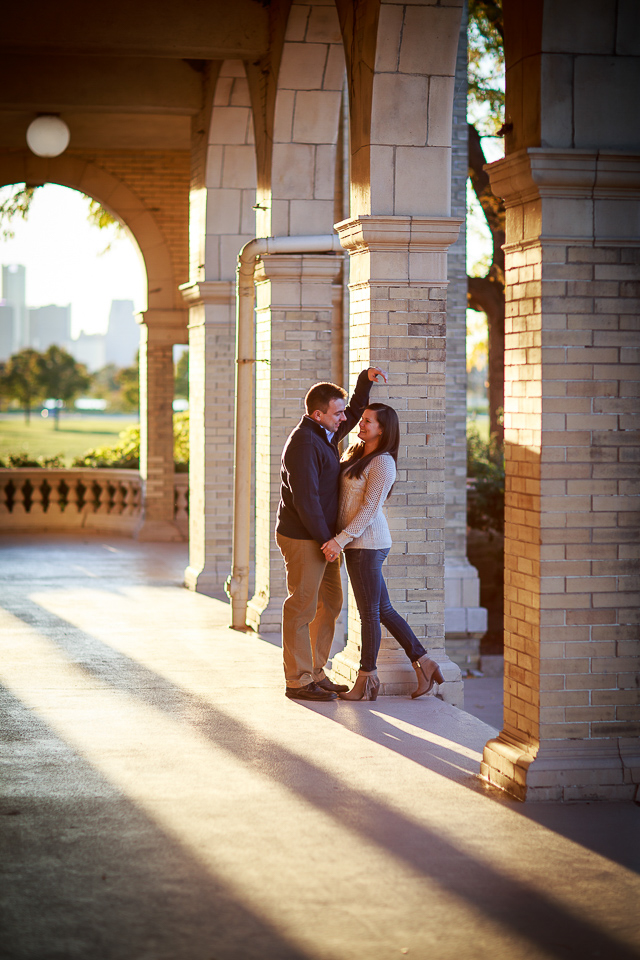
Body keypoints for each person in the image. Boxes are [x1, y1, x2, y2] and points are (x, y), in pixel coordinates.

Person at [276, 367, 388, 702]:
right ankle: (297, 681)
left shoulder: (324, 431)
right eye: (337, 413)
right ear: (318, 414)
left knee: (330, 602)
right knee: (302, 606)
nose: (345, 420)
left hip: (322, 538)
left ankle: (315, 671)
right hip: (304, 537)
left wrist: (363, 382)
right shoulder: (304, 443)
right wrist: (329, 542)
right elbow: (306, 500)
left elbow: (352, 413)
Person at [322, 403, 445, 701]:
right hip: (359, 543)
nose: (360, 425)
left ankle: (366, 680)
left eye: (367, 422)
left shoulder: (383, 463)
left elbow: (369, 510)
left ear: (383, 429)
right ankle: (425, 663)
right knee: (383, 610)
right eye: (362, 420)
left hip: (368, 544)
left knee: (369, 614)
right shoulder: (355, 451)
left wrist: (340, 540)